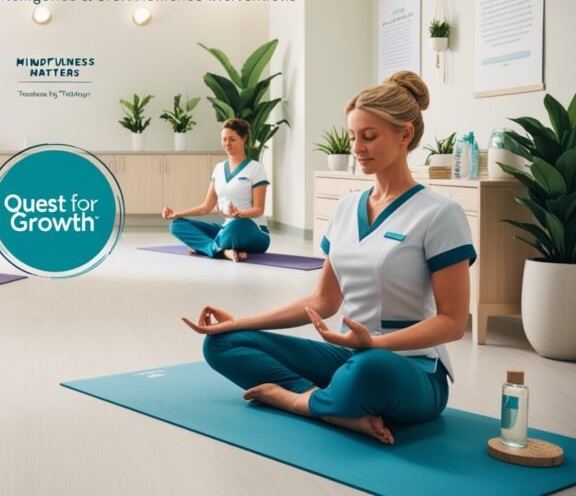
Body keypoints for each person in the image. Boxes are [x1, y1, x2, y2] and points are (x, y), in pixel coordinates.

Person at [182, 71, 475, 445]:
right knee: (222, 344)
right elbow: (324, 301)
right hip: (348, 359)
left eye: (369, 137)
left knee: (370, 370)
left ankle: (295, 401)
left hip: (408, 368)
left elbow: (452, 323)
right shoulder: (346, 207)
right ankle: (334, 406)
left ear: (405, 135)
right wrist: (239, 322)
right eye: (353, 137)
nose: (357, 148)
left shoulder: (439, 213)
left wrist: (376, 345)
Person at [163, 118, 270, 262]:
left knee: (236, 226)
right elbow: (205, 207)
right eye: (224, 139)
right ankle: (224, 251)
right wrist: (176, 214)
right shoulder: (219, 168)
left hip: (252, 229)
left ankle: (206, 248)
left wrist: (240, 214)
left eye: (232, 139)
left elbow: (259, 209)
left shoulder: (256, 168)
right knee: (176, 225)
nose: (227, 144)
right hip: (226, 229)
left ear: (243, 138)